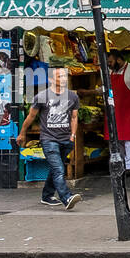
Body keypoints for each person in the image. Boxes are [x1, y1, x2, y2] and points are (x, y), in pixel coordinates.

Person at [18, 67, 83, 210]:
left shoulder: (72, 96)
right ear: (51, 79)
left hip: (66, 139)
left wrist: (73, 135)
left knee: (55, 168)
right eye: (60, 77)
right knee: (59, 169)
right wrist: (22, 132)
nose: (64, 79)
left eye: (65, 76)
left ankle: (46, 196)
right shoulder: (42, 96)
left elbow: (74, 117)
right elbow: (31, 116)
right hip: (49, 139)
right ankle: (67, 198)